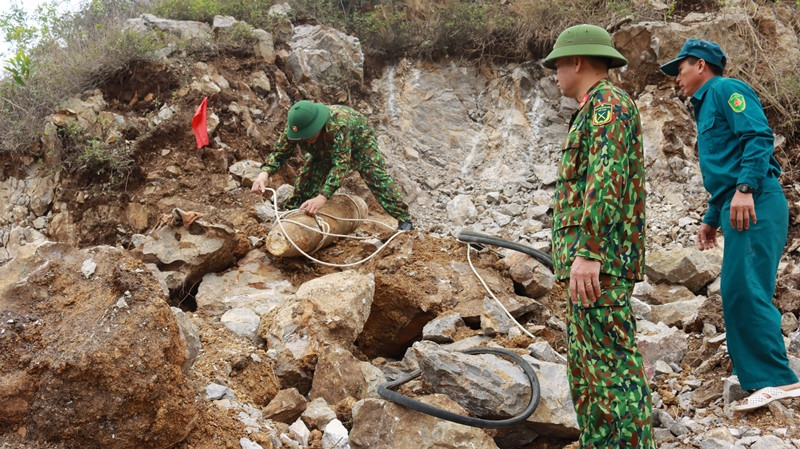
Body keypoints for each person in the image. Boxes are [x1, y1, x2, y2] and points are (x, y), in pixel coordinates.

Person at [660, 39, 800, 411]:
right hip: (737, 205)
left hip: (757, 202)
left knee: (745, 286)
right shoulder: (704, 107)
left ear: (701, 65)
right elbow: (724, 166)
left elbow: (758, 137)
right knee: (739, 288)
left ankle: (778, 380)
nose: (676, 78)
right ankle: (759, 375)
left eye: (681, 68)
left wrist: (745, 188)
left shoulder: (726, 89)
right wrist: (711, 217)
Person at [543, 24, 653, 447]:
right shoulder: (592, 109)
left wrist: (589, 251)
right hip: (588, 266)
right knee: (588, 375)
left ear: (576, 61)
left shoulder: (609, 106)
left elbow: (606, 180)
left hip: (599, 264)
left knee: (612, 373)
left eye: (557, 64)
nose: (554, 74)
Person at [251, 100, 414, 231]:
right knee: (306, 180)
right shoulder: (297, 127)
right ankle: (292, 217)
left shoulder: (338, 125)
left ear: (318, 126)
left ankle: (404, 220)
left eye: (308, 136)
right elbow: (280, 152)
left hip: (360, 142)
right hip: (323, 148)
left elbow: (340, 165)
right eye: (302, 137)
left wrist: (323, 197)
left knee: (375, 176)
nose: (305, 140)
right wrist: (264, 173)